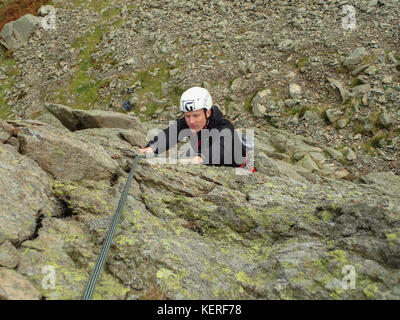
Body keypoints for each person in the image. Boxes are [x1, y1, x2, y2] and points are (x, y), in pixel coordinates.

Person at [139, 87, 255, 172]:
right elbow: (171, 133)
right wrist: (152, 147)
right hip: (210, 163)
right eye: (187, 116)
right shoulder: (189, 121)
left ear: (208, 112)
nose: (191, 121)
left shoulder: (224, 127)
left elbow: (221, 147)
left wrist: (200, 158)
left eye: (196, 116)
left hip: (239, 169)